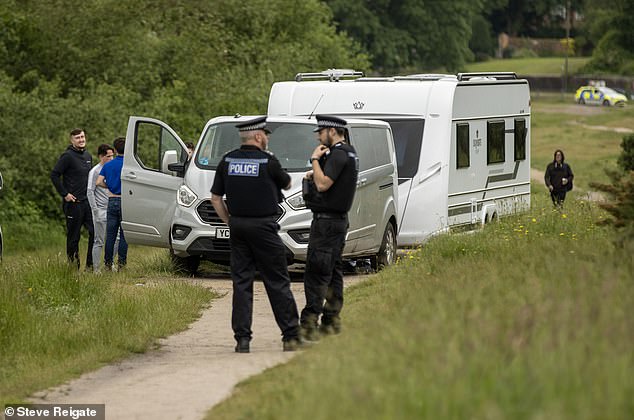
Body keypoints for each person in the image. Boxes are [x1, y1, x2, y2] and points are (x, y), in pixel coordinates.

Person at [210, 116, 301, 353]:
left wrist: (229, 221)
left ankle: (242, 340)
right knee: (277, 280)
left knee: (241, 282)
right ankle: (290, 335)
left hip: (238, 227)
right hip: (264, 227)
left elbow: (215, 198)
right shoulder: (267, 161)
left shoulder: (227, 160)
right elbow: (288, 184)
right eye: (266, 135)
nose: (267, 139)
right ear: (259, 137)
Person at [300, 115, 359, 341]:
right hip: (338, 221)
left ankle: (308, 326)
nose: (318, 136)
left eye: (320, 132)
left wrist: (315, 160)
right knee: (333, 272)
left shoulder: (337, 154)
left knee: (316, 273)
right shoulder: (350, 152)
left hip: (326, 223)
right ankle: (331, 321)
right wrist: (313, 173)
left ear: (332, 132)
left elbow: (324, 184)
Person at [51, 128, 95, 270]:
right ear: (72, 140)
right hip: (73, 204)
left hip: (87, 202)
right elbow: (54, 175)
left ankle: (90, 265)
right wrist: (65, 194)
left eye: (82, 137)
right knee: (73, 238)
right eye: (77, 138)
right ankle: (73, 268)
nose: (81, 140)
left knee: (95, 233)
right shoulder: (67, 156)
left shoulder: (88, 156)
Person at [96, 137, 128, 270]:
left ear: (114, 150)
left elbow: (98, 182)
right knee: (124, 235)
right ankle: (121, 264)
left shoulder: (108, 165)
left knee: (110, 235)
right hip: (126, 201)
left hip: (112, 199)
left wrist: (108, 187)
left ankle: (108, 264)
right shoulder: (128, 165)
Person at [87, 143, 118, 272]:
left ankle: (109, 264)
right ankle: (96, 269)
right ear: (101, 156)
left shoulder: (112, 168)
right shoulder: (95, 171)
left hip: (112, 209)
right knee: (99, 240)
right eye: (108, 156)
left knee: (116, 238)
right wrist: (95, 210)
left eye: (112, 156)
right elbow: (90, 191)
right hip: (100, 210)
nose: (111, 159)